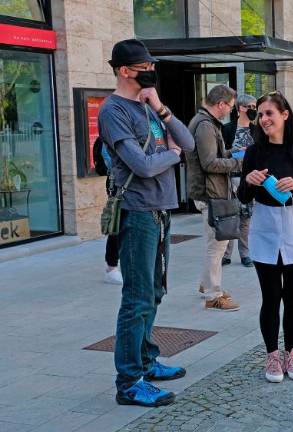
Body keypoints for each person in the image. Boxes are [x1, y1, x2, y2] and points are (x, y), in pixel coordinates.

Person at [98, 39, 194, 407]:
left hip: (160, 210)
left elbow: (185, 142)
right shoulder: (113, 111)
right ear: (125, 71)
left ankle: (147, 361)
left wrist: (160, 108)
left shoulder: (149, 108)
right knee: (136, 299)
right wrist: (170, 154)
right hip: (137, 213)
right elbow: (142, 165)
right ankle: (129, 381)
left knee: (154, 293)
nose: (151, 71)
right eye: (144, 67)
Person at [237, 91, 293, 383]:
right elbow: (242, 196)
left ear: (285, 115)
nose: (263, 119)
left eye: (269, 113)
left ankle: (292, 352)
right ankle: (272, 355)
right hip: (264, 230)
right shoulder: (254, 153)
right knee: (270, 298)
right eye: (260, 114)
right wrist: (248, 182)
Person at [186, 85, 243, 312]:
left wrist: (233, 153)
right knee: (217, 245)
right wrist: (239, 163)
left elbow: (214, 156)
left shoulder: (205, 123)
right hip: (210, 193)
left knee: (217, 242)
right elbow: (209, 163)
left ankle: (206, 284)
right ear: (221, 104)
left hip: (210, 191)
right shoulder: (205, 126)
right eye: (230, 106)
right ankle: (213, 295)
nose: (230, 110)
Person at [221, 94, 259, 267]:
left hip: (248, 180)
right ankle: (226, 254)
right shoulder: (227, 129)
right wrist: (233, 150)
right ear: (241, 108)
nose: (253, 110)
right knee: (230, 217)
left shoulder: (257, 130)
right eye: (250, 106)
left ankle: (245, 254)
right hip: (229, 178)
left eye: (254, 106)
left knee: (245, 219)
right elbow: (220, 153)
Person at [93, 136, 123, 285]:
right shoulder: (109, 133)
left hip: (130, 184)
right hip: (117, 184)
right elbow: (110, 162)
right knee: (116, 224)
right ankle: (111, 267)